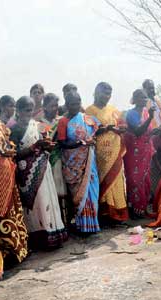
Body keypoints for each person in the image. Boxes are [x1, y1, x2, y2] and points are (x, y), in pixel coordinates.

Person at [10, 96, 67, 250]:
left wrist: (47, 146)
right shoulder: (14, 129)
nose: (30, 113)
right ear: (19, 110)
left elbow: (45, 144)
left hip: (44, 169)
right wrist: (34, 147)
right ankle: (40, 239)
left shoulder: (38, 125)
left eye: (32, 109)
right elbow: (14, 154)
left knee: (49, 201)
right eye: (27, 110)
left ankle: (54, 235)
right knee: (37, 205)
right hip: (28, 174)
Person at [0, 94, 28, 265]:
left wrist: (9, 150)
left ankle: (15, 252)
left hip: (6, 177)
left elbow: (8, 143)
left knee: (9, 214)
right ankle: (1, 257)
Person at [57, 91, 100, 233]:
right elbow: (62, 143)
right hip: (73, 164)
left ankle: (92, 224)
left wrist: (89, 141)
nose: (75, 106)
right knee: (79, 195)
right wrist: (79, 144)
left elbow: (96, 131)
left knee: (91, 189)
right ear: (67, 105)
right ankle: (82, 226)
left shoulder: (86, 118)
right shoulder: (63, 121)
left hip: (89, 161)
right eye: (72, 104)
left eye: (78, 103)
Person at [86, 82, 129, 222]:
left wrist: (120, 129)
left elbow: (120, 124)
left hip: (115, 149)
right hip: (101, 153)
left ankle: (118, 214)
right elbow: (90, 131)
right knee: (104, 180)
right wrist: (107, 129)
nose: (107, 96)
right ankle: (105, 214)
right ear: (97, 92)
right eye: (105, 92)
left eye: (110, 93)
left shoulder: (113, 109)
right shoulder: (89, 111)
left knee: (116, 180)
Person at [36, 93, 69, 226]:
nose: (55, 108)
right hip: (47, 159)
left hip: (61, 158)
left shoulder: (61, 120)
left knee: (63, 192)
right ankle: (55, 223)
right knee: (52, 192)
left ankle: (65, 222)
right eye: (51, 106)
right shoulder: (39, 124)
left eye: (56, 105)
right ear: (45, 107)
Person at [123, 89, 155, 218]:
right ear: (135, 99)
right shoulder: (131, 114)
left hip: (145, 151)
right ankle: (135, 209)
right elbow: (137, 131)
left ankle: (142, 207)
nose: (144, 100)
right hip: (134, 152)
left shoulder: (146, 113)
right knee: (135, 179)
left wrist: (158, 131)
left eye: (145, 98)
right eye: (141, 98)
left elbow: (148, 132)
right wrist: (151, 118)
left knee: (145, 179)